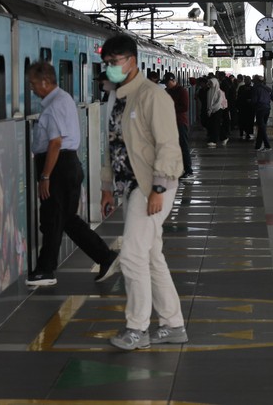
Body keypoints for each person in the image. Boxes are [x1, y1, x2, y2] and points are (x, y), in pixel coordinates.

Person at [99, 34, 188, 350]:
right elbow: (112, 146)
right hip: (131, 186)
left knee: (132, 255)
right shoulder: (118, 98)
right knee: (151, 256)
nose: (110, 68)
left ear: (132, 60)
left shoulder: (153, 96)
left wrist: (159, 189)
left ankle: (136, 328)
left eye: (114, 62)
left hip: (152, 185)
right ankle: (173, 324)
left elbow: (168, 145)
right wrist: (107, 188)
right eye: (107, 63)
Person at [26, 61, 119, 286]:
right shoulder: (63, 98)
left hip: (58, 166)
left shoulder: (55, 105)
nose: (31, 88)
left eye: (33, 84)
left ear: (45, 82)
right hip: (67, 165)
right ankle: (105, 256)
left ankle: (46, 270)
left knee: (53, 218)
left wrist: (45, 176)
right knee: (65, 219)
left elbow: (55, 142)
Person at [163, 72, 193, 178]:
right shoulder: (167, 91)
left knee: (183, 146)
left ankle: (188, 170)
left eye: (167, 83)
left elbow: (184, 107)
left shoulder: (182, 91)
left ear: (173, 80)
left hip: (180, 122)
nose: (166, 85)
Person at [251, 75, 273, 152]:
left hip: (260, 110)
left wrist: (251, 103)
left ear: (256, 81)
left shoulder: (256, 88)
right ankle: (258, 146)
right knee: (261, 127)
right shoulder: (268, 89)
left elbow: (254, 100)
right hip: (267, 109)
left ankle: (267, 146)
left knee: (262, 128)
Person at [236, 76, 254, 140]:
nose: (247, 81)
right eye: (246, 80)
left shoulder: (252, 88)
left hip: (248, 108)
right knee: (242, 120)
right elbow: (239, 97)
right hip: (243, 107)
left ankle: (248, 133)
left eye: (248, 80)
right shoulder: (242, 88)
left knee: (248, 121)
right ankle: (243, 132)